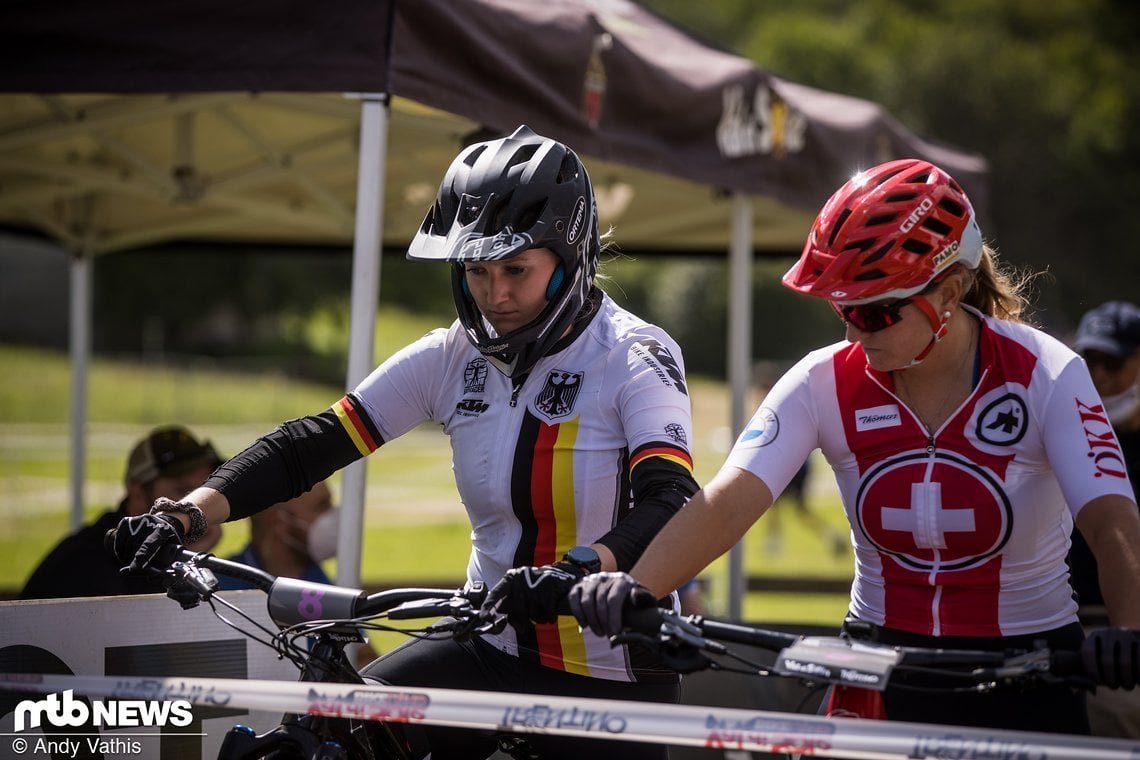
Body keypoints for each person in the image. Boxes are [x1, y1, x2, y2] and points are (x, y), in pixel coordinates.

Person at [109, 125, 699, 759]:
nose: (495, 295)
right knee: (325, 742)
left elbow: (672, 500)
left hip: (608, 673)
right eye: (476, 271)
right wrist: (190, 511)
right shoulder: (453, 355)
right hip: (488, 642)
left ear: (570, 256)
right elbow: (312, 443)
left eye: (516, 270)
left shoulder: (634, 354)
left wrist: (576, 571)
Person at [566, 159, 1140, 735]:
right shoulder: (823, 380)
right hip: (877, 671)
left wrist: (1130, 627)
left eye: (875, 312)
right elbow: (728, 501)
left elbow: (1111, 518)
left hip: (1030, 675)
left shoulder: (1047, 372)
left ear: (948, 291)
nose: (853, 334)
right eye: (843, 309)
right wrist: (640, 588)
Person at [21, 425, 223, 599]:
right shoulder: (87, 562)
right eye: (183, 492)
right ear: (137, 495)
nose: (199, 506)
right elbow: (137, 631)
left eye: (204, 491)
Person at [1068, 299, 1140, 738]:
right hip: (1064, 638)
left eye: (1112, 362)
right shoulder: (1062, 438)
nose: (1098, 376)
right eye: (1089, 361)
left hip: (1124, 647)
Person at [214, 480, 338, 591]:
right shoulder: (219, 591)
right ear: (279, 523)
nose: (334, 515)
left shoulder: (329, 586)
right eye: (322, 505)